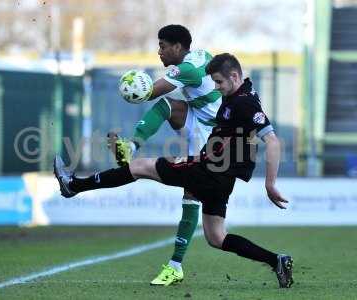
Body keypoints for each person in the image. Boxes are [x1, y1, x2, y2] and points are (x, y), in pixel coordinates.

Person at [54, 53, 294, 288]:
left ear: (234, 76)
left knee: (138, 166)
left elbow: (272, 141)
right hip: (221, 178)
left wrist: (270, 184)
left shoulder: (245, 102)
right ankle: (277, 261)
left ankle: (74, 185)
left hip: (208, 170)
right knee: (216, 237)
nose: (217, 87)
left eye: (219, 82)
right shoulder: (243, 92)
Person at [108, 24, 222, 285]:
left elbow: (150, 92)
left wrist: (133, 87)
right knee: (168, 106)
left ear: (177, 47)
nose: (158, 52)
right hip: (199, 119)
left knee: (195, 201)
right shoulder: (199, 57)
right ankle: (132, 146)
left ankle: (175, 265)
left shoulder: (186, 69)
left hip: (212, 136)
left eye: (162, 46)